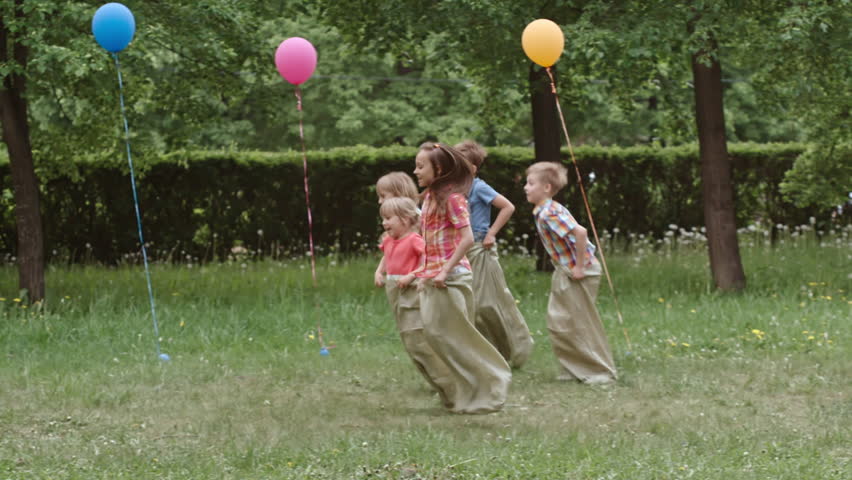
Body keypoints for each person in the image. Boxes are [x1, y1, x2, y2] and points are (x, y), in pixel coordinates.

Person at [413, 142, 511, 414]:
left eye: (421, 166)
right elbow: (429, 240)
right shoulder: (430, 197)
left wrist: (444, 270)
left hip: (453, 276)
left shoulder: (454, 198)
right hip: (434, 276)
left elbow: (467, 239)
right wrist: (425, 272)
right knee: (435, 334)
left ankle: (493, 379)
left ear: (440, 168)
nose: (415, 170)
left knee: (457, 335)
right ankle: (466, 392)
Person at [524, 161, 617, 384]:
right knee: (560, 321)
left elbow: (581, 232)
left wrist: (579, 267)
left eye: (530, 183)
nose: (525, 188)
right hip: (565, 269)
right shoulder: (543, 210)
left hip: (580, 271)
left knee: (579, 321)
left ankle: (600, 372)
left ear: (546, 188)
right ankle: (576, 368)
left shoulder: (550, 214)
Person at [455, 140, 533, 368]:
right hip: (462, 250)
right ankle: (483, 353)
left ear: (472, 168)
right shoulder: (453, 191)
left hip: (481, 248)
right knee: (469, 305)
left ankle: (513, 347)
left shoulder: (479, 187)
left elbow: (508, 206)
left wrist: (491, 233)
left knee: (486, 304)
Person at [376, 196, 455, 408]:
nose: (384, 222)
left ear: (405, 218)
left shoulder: (414, 239)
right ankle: (444, 391)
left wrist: (413, 276)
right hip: (395, 290)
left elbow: (427, 259)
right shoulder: (389, 240)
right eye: (383, 218)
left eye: (388, 218)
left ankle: (451, 387)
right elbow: (386, 257)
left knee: (417, 339)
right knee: (410, 342)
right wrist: (379, 272)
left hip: (410, 291)